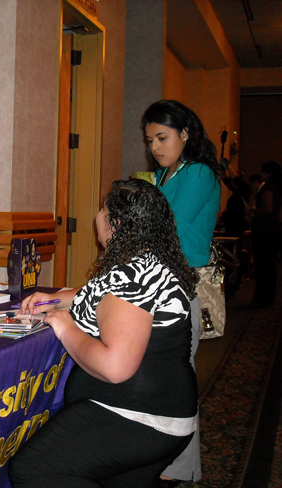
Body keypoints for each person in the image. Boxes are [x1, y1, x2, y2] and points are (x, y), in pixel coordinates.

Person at [8, 179, 198, 488]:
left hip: (141, 417)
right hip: (160, 411)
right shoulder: (146, 262)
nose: (98, 215)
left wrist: (64, 325)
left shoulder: (130, 278)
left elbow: (115, 367)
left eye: (102, 208)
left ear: (116, 222)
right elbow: (95, 294)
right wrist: (53, 298)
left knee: (32, 470)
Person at [142, 99, 221, 485]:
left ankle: (179, 468)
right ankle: (158, 460)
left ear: (184, 134)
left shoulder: (199, 173)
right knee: (158, 377)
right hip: (156, 283)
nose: (155, 147)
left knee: (176, 379)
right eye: (150, 140)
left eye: (162, 137)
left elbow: (166, 228)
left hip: (181, 284)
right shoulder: (162, 177)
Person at [249, 160, 281, 307]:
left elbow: (268, 208)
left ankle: (263, 298)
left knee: (264, 264)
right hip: (270, 229)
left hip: (264, 230)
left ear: (268, 174)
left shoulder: (269, 188)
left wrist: (253, 211)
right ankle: (265, 298)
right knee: (267, 264)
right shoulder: (275, 188)